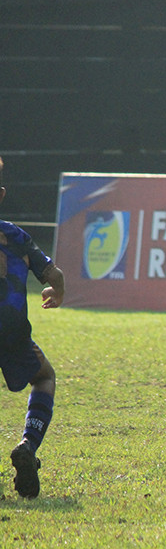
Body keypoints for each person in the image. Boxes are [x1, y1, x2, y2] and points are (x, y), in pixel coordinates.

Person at [0, 157, 65, 498]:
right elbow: (56, 276)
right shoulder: (15, 235)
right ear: (1, 194)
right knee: (44, 377)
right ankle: (28, 444)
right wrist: (57, 293)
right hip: (11, 328)